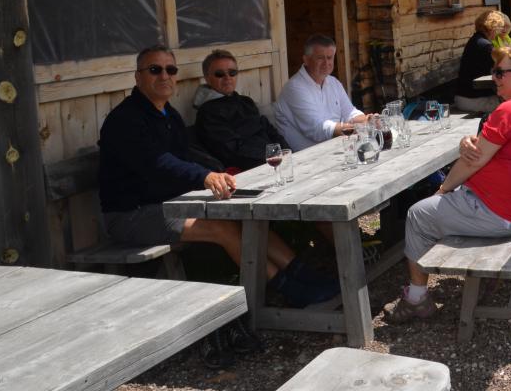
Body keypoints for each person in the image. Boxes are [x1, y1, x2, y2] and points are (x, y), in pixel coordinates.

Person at [99, 44, 338, 308]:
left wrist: (215, 175)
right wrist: (205, 176)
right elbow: (157, 163)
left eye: (170, 69)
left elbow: (185, 159)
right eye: (155, 70)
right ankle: (288, 290)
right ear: (138, 76)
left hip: (170, 204)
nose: (164, 76)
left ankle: (305, 276)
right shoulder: (126, 119)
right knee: (222, 226)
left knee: (247, 218)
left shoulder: (169, 115)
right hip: (132, 215)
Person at [386, 43, 511, 322]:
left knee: (417, 214)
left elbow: (472, 162)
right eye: (494, 72)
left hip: (498, 213)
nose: (495, 79)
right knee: (431, 206)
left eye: (501, 73)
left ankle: (417, 299)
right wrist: (469, 144)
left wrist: (444, 189)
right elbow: (486, 150)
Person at [193, 49, 286, 171]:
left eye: (232, 72)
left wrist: (287, 153)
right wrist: (271, 157)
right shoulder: (208, 112)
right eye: (220, 74)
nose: (227, 78)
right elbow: (230, 151)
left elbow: (269, 131)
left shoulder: (246, 102)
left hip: (273, 161)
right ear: (207, 78)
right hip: (248, 170)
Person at [274, 34, 370, 151]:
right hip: (305, 159)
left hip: (334, 150)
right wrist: (354, 128)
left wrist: (367, 120)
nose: (326, 63)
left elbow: (349, 112)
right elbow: (316, 129)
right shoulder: (295, 87)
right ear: (306, 60)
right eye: (320, 58)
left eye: (329, 58)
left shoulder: (333, 82)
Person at [454, 9, 505, 114]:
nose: (498, 33)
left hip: (464, 96)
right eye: (498, 29)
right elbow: (503, 69)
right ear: (492, 29)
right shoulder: (485, 46)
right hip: (472, 99)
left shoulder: (476, 40)